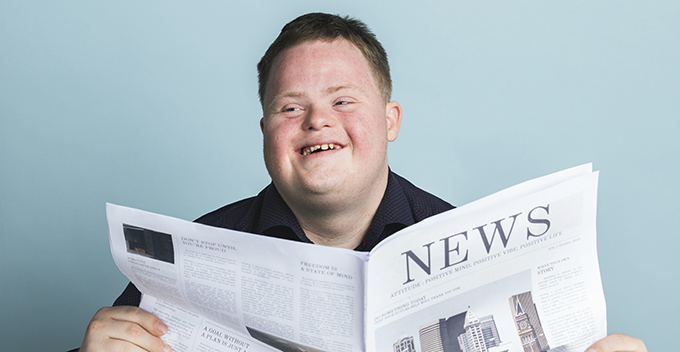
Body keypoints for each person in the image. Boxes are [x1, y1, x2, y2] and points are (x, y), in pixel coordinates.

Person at [77, 12, 647, 352]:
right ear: (265, 131)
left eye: (343, 100)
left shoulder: (471, 245)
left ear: (390, 121)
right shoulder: (198, 252)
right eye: (289, 107)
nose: (317, 121)